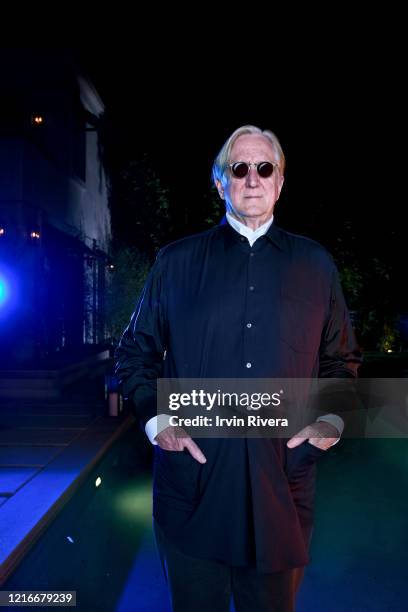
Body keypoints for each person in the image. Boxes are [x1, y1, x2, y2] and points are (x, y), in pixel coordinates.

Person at [115, 125, 362, 612]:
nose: (253, 178)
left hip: (282, 488)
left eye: (264, 168)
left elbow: (341, 360)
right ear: (220, 181)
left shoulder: (315, 265)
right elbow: (135, 354)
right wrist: (157, 420)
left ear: (281, 181)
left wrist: (330, 419)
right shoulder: (175, 263)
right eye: (239, 167)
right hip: (194, 486)